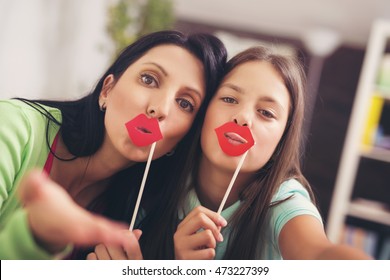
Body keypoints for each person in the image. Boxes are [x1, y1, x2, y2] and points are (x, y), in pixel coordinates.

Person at [88, 45, 371, 260]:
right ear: (203, 111)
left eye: (266, 113)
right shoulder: (155, 173)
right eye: (229, 98)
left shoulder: (283, 203)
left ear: (282, 139)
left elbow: (319, 254)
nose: (244, 118)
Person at [0, 30, 227, 259]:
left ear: (182, 139)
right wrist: (34, 237)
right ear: (107, 89)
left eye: (185, 103)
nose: (160, 109)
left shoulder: (136, 217)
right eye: (149, 79)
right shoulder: (12, 125)